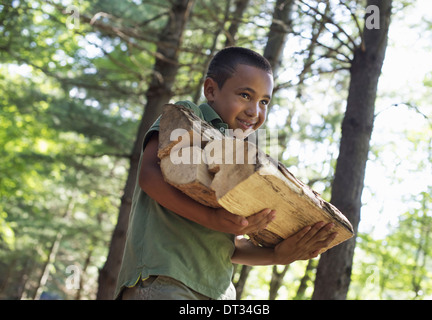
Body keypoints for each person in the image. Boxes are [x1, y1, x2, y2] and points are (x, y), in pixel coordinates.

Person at [115, 47, 337, 300]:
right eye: (245, 95)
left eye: (264, 101)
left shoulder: (241, 158)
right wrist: (212, 218)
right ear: (211, 90)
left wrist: (277, 256)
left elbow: (228, 245)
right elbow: (149, 176)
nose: (255, 111)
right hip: (165, 281)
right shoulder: (188, 114)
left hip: (218, 292)